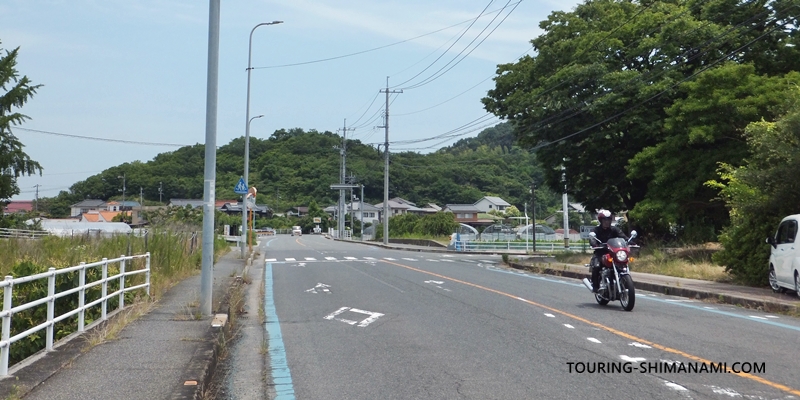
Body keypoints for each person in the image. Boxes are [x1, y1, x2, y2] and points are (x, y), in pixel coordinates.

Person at [590, 209, 630, 293]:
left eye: (608, 220)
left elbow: (622, 236)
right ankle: (595, 285)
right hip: (600, 253)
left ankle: (622, 283)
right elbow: (592, 239)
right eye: (604, 220)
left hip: (612, 253)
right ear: (601, 220)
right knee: (597, 266)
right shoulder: (596, 230)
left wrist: (629, 240)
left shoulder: (614, 229)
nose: (606, 222)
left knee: (622, 265)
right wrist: (594, 244)